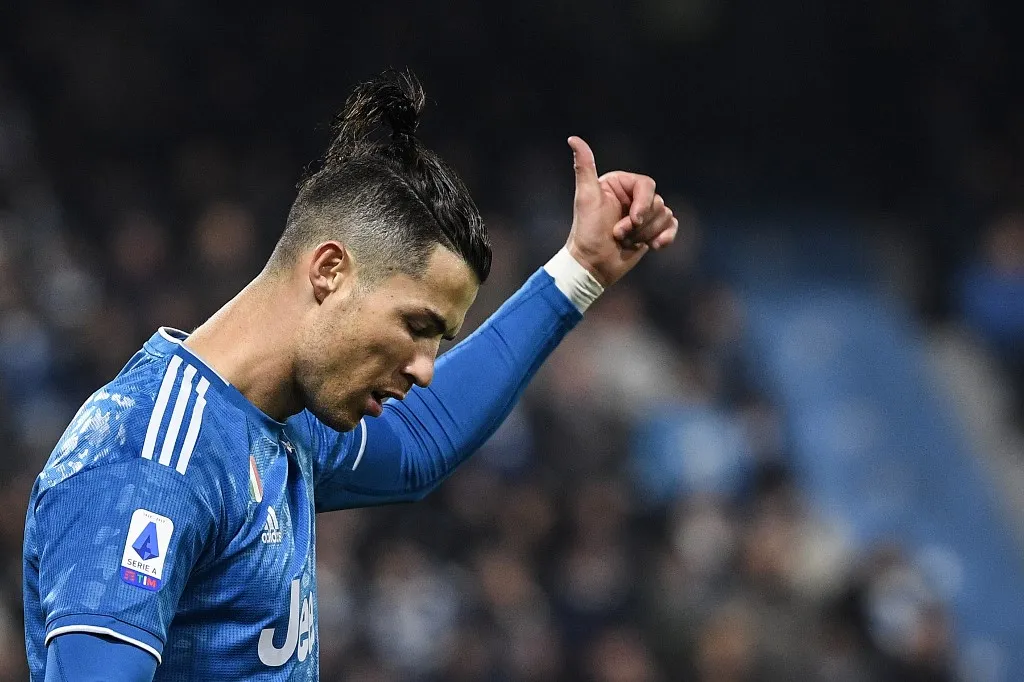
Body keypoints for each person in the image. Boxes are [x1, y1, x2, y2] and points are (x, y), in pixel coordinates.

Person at [23, 70, 680, 681]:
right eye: (416, 326)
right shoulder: (147, 458)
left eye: (439, 341)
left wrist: (582, 270)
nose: (425, 369)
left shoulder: (273, 421)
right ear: (329, 271)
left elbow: (418, 441)